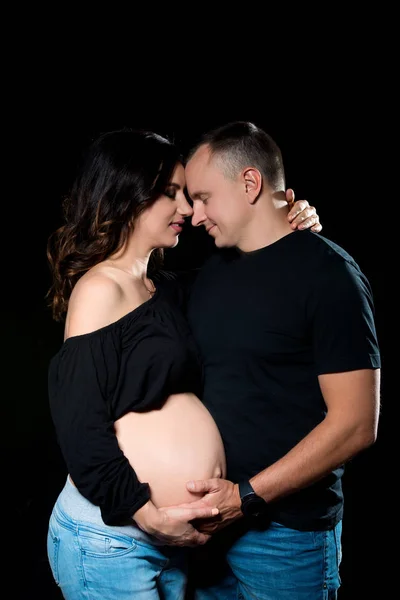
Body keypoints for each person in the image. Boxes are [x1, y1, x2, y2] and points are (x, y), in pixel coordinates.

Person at [45, 127, 320, 599]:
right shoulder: (100, 289)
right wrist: (147, 514)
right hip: (112, 539)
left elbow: (239, 275)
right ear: (128, 195)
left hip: (170, 546)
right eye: (172, 194)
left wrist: (287, 218)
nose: (188, 210)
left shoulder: (165, 286)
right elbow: (79, 426)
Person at [181, 120, 381, 600]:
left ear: (250, 183)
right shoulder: (210, 272)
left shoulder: (330, 275)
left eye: (204, 197)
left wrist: (246, 497)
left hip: (287, 539)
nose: (194, 215)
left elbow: (357, 424)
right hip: (207, 537)